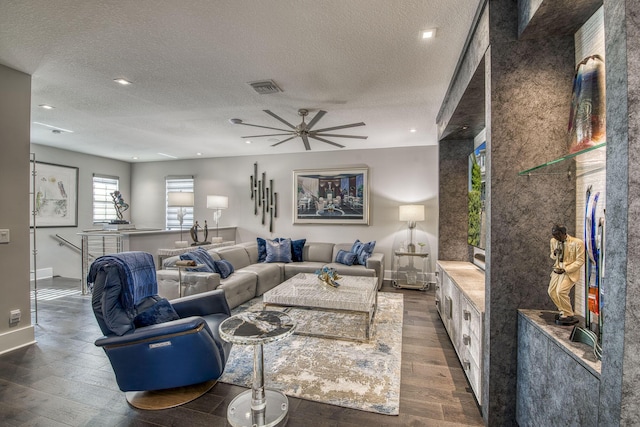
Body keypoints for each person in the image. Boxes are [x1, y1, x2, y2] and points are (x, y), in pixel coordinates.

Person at [548, 224, 585, 325]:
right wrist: (555, 253)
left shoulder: (577, 243)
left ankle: (568, 313)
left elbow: (580, 260)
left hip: (569, 272)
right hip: (556, 270)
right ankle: (563, 310)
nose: (555, 237)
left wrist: (566, 269)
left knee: (561, 292)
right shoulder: (553, 241)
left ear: (564, 234)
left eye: (557, 235)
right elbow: (552, 256)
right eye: (553, 235)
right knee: (552, 292)